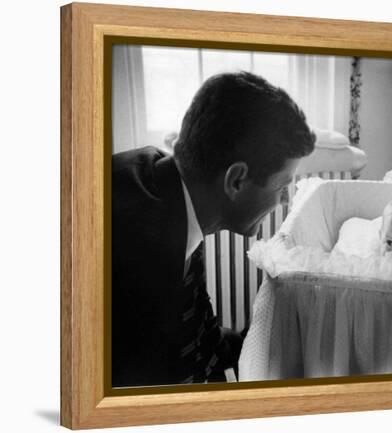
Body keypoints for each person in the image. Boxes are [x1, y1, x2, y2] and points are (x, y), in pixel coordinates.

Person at [111, 71, 316, 387]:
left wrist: (269, 331)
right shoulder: (137, 245)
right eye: (282, 185)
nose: (286, 201)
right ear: (236, 180)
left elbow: (200, 339)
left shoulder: (180, 194)